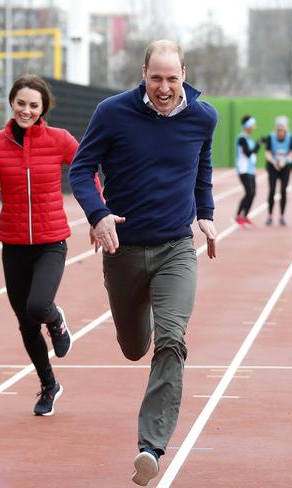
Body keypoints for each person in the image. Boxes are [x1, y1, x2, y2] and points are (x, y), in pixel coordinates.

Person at [68, 40, 218, 486]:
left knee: (171, 341)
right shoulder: (112, 113)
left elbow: (202, 166)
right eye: (157, 78)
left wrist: (205, 214)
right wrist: (98, 216)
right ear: (143, 73)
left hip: (175, 248)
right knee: (135, 346)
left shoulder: (203, 116)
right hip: (124, 251)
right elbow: (81, 169)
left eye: (173, 78)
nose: (165, 88)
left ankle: (150, 447)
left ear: (185, 75)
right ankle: (141, 322)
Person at [0, 74, 86, 416]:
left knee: (38, 306)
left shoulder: (60, 140)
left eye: (33, 105)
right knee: (25, 324)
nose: (26, 110)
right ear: (12, 103)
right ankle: (49, 385)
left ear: (43, 109)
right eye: (21, 103)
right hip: (13, 245)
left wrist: (99, 213)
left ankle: (56, 321)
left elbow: (85, 170)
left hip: (51, 240)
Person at [264, 116, 292, 226]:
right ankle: (270, 216)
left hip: (285, 166)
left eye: (282, 129)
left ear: (286, 129)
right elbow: (267, 152)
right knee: (272, 190)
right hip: (273, 166)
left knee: (283, 190)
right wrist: (274, 162)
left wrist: (285, 161)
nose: (280, 131)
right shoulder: (271, 137)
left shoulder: (290, 137)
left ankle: (282, 215)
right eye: (278, 129)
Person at [235, 115, 261, 227]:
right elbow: (248, 153)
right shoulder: (242, 138)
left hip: (251, 170)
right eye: (252, 125)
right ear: (248, 126)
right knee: (249, 192)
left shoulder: (249, 139)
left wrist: (257, 145)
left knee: (253, 193)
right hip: (244, 170)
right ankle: (238, 215)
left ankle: (245, 216)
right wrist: (258, 145)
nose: (254, 127)